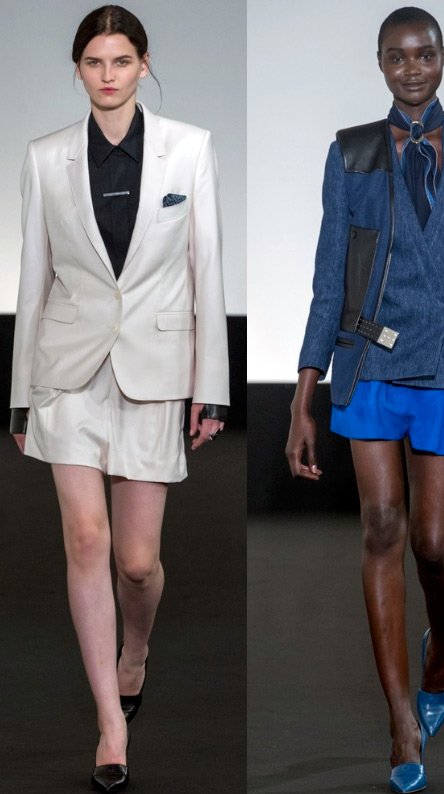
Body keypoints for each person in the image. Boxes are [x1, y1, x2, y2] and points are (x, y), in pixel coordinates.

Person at [285, 6, 444, 793]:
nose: (412, 69)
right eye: (397, 57)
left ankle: (441, 652)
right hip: (368, 364)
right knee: (382, 527)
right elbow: (328, 277)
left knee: (432, 544)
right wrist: (303, 395)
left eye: (424, 54)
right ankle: (400, 721)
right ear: (380, 64)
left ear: (443, 57)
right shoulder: (352, 153)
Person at [9, 6, 229, 791]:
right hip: (65, 369)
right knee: (85, 539)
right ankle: (110, 724)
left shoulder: (189, 148)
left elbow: (207, 269)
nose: (107, 75)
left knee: (136, 564)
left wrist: (211, 388)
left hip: (155, 368)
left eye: (121, 60)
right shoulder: (44, 157)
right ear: (77, 69)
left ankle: (136, 648)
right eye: (94, 61)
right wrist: (20, 396)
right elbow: (33, 277)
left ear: (144, 64)